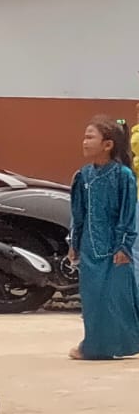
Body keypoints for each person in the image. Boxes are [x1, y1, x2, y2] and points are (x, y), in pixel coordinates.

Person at [68, 117, 139, 361]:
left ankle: (123, 343)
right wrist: (74, 244)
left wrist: (124, 246)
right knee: (93, 299)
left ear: (107, 145)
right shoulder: (83, 176)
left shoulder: (123, 176)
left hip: (115, 248)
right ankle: (94, 345)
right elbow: (78, 215)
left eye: (90, 137)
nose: (84, 142)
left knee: (118, 299)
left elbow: (128, 215)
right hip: (89, 247)